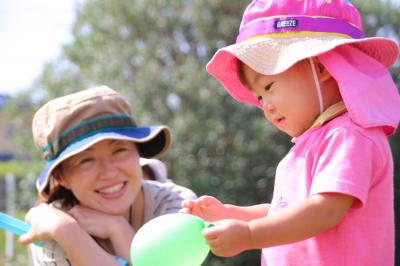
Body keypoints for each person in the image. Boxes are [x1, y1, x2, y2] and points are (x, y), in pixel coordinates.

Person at [181, 0, 400, 265]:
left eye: (269, 86)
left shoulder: (349, 136)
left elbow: (325, 210)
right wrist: (231, 214)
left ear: (321, 66)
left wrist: (249, 235)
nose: (266, 106)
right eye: (259, 98)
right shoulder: (306, 146)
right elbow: (283, 213)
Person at [19, 86, 197, 266]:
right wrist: (68, 232)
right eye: (86, 160)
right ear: (60, 177)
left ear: (138, 152)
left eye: (120, 150)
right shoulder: (51, 232)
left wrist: (118, 230)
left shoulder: (176, 206)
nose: (109, 172)